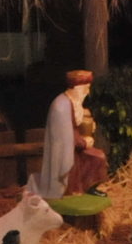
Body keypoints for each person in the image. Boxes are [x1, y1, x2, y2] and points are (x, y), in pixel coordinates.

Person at [34, 69, 107, 198]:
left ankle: (86, 187)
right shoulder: (61, 106)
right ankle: (72, 189)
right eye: (86, 89)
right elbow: (66, 137)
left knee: (98, 157)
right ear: (78, 88)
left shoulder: (72, 102)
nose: (87, 92)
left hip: (73, 149)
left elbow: (73, 127)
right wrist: (84, 143)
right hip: (66, 153)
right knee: (98, 157)